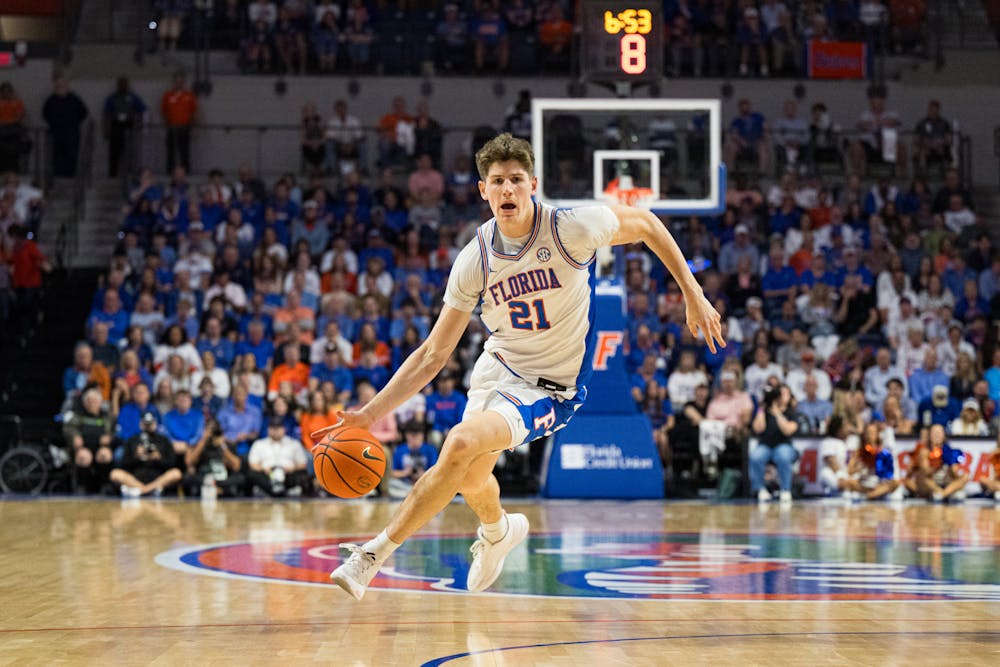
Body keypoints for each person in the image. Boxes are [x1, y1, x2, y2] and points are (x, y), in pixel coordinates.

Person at [312, 133, 723, 600]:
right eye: (497, 181)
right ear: (483, 190)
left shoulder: (571, 228)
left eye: (516, 179)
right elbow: (432, 354)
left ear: (533, 185)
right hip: (499, 366)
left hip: (551, 387)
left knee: (460, 443)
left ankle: (372, 555)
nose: (507, 189)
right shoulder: (475, 258)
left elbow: (646, 223)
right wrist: (369, 414)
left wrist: (693, 292)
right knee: (470, 475)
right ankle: (498, 530)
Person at [110, 411, 182, 497]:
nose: (148, 427)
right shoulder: (132, 440)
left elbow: (171, 463)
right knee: (115, 473)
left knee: (176, 473)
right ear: (141, 424)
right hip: (136, 477)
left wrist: (159, 458)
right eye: (146, 424)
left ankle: (142, 490)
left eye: (150, 424)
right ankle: (150, 490)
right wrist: (136, 456)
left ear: (155, 423)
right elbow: (124, 463)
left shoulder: (164, 440)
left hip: (157, 477)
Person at [750, 385, 798, 504]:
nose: (781, 397)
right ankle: (760, 489)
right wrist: (761, 409)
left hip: (784, 444)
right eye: (779, 394)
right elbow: (758, 429)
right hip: (766, 445)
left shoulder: (791, 413)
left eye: (785, 394)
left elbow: (788, 430)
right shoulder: (765, 412)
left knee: (783, 456)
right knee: (756, 456)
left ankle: (785, 489)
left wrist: (777, 413)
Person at [182, 416, 246, 497]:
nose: (212, 434)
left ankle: (216, 487)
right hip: (204, 478)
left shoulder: (226, 445)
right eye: (210, 430)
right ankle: (216, 488)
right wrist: (203, 440)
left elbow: (237, 466)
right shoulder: (199, 444)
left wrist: (222, 446)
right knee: (187, 478)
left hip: (222, 479)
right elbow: (189, 463)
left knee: (240, 478)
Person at [247, 416, 309, 497]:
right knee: (252, 474)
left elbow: (303, 464)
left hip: (288, 474)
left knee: (302, 474)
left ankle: (280, 490)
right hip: (267, 474)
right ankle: (275, 491)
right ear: (268, 429)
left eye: (278, 428)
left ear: (284, 429)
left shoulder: (294, 443)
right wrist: (264, 469)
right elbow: (252, 464)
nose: (276, 431)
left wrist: (291, 468)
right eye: (273, 428)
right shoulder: (259, 444)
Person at [42, 77, 89, 177]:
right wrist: (54, 123)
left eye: (62, 86)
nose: (60, 88)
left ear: (67, 87)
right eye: (58, 86)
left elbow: (84, 112)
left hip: (71, 133)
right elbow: (45, 113)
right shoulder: (51, 100)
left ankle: (70, 178)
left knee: (71, 156)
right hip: (56, 133)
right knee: (57, 156)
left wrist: (74, 123)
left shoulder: (74, 99)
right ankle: (57, 177)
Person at [102, 77, 147, 177]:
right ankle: (112, 175)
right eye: (121, 84)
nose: (123, 86)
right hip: (116, 126)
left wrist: (140, 124)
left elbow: (143, 110)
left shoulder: (133, 97)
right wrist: (106, 128)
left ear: (128, 85)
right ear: (117, 85)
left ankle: (129, 175)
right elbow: (106, 114)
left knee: (129, 152)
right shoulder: (112, 98)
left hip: (129, 126)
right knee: (114, 152)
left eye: (125, 84)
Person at [389, 421, 439, 500]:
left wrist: (423, 474)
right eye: (412, 435)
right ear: (406, 435)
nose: (415, 438)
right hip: (405, 483)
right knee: (391, 483)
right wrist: (405, 473)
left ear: (423, 435)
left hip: (424, 482)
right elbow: (393, 473)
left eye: (418, 435)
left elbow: (436, 472)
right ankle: (413, 493)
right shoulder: (399, 450)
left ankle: (413, 493)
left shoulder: (430, 450)